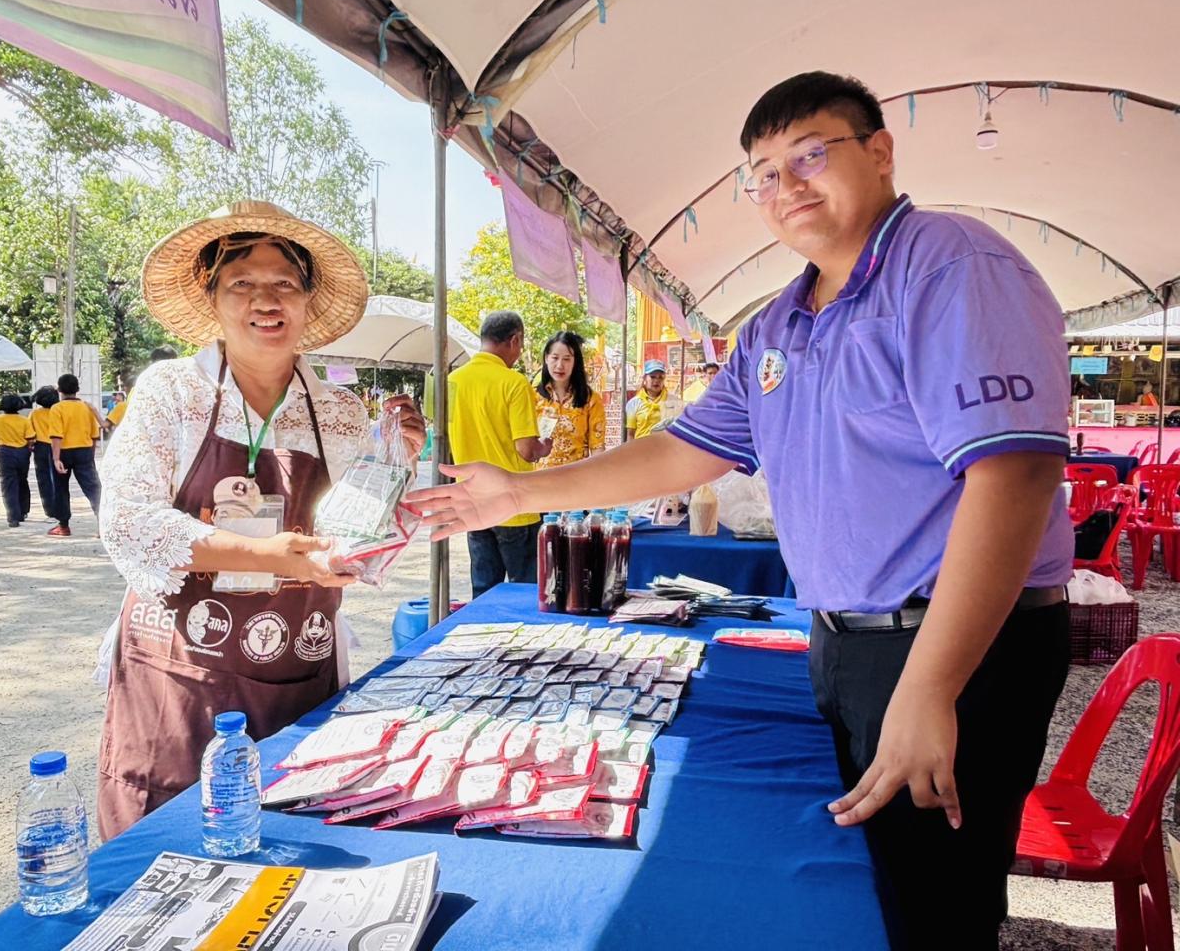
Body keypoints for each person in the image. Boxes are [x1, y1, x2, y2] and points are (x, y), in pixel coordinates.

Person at [409, 71, 1072, 951]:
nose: (785, 186)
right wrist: (520, 492)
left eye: (810, 155)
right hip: (842, 637)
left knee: (932, 906)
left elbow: (1013, 478)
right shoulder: (777, 325)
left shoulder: (950, 264)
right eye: (762, 171)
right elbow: (683, 449)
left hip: (954, 644)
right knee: (863, 884)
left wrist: (930, 685)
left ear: (879, 152)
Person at [96, 199, 424, 838]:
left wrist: (397, 467)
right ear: (212, 298)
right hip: (181, 675)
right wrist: (269, 556)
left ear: (306, 301)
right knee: (166, 854)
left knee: (294, 851)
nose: (265, 300)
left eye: (285, 285)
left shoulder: (340, 411)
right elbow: (128, 521)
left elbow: (364, 539)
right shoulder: (173, 391)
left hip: (299, 670)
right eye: (242, 283)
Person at [448, 310, 551, 597]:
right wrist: (544, 447)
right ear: (515, 339)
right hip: (514, 505)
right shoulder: (514, 383)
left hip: (472, 502)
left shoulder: (452, 381)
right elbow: (527, 450)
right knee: (525, 591)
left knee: (483, 590)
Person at [533, 330, 605, 469]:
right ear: (546, 358)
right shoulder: (532, 396)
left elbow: (597, 448)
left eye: (566, 359)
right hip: (540, 480)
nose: (560, 365)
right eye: (555, 357)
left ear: (575, 362)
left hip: (577, 480)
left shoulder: (591, 400)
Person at [48, 373, 103, 538]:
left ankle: (63, 525)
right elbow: (94, 435)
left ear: (59, 389)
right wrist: (90, 456)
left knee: (60, 488)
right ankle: (104, 523)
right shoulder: (86, 407)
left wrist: (56, 458)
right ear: (77, 389)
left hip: (64, 451)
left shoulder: (57, 408)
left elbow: (56, 435)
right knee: (94, 488)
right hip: (84, 451)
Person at [0, 394, 34, 527]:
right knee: (22, 481)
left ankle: (12, 516)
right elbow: (30, 438)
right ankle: (23, 511)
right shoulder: (24, 420)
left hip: (5, 452)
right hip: (22, 453)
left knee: (8, 484)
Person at [29, 386, 60, 520]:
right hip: (58, 446)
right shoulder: (59, 412)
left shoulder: (35, 414)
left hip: (41, 447)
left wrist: (30, 445)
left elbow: (30, 433)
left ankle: (49, 510)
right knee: (59, 479)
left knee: (43, 479)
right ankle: (61, 507)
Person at [624, 360, 671, 437]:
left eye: (661, 377)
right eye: (652, 377)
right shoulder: (634, 403)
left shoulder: (673, 402)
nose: (657, 380)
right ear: (644, 378)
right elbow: (630, 435)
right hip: (641, 447)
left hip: (665, 447)